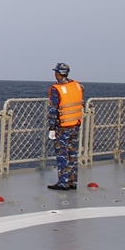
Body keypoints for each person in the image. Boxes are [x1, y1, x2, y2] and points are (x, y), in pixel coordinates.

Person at [46, 63, 84, 191]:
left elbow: (53, 109)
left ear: (57, 73)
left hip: (62, 126)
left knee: (62, 154)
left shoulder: (56, 88)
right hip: (75, 124)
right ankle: (72, 181)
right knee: (72, 153)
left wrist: (52, 127)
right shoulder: (77, 85)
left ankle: (63, 182)